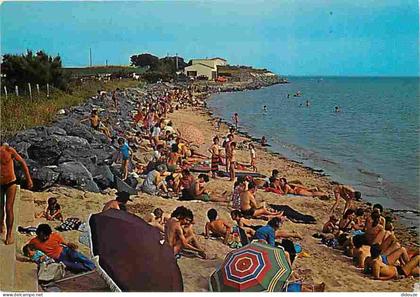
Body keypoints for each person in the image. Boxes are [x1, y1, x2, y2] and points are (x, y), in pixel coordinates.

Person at [1, 143, 33, 245]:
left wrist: (28, 179)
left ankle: (9, 234)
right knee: (0, 207)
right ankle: (1, 224)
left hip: (11, 182)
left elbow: (22, 163)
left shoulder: (9, 150)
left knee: (9, 208)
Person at [29, 224, 95, 273]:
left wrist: (70, 245)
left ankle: (92, 265)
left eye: (47, 236)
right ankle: (89, 268)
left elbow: (65, 243)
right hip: (57, 259)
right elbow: (28, 250)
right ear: (38, 234)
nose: (45, 238)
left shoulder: (54, 236)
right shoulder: (34, 242)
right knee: (71, 265)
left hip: (64, 251)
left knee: (77, 255)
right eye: (43, 236)